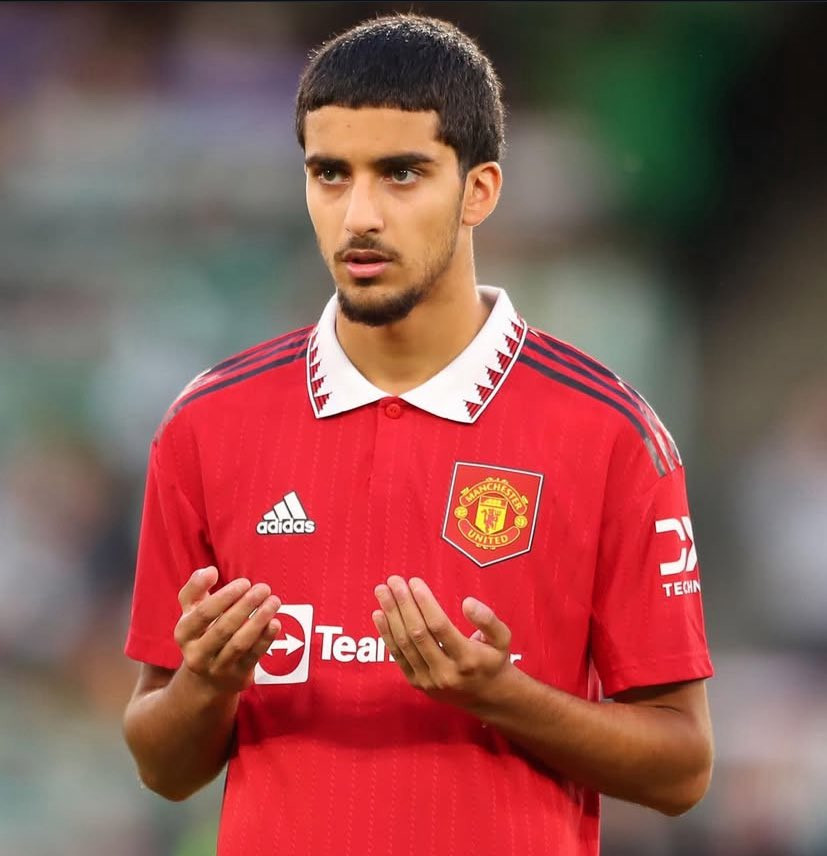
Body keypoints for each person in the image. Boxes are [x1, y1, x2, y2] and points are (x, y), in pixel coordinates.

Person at [123, 14, 714, 856]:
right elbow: (161, 763)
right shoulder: (207, 424)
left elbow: (681, 768)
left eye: (400, 173)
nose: (358, 215)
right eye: (330, 174)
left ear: (479, 191)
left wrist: (500, 695)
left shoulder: (608, 432)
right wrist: (207, 686)